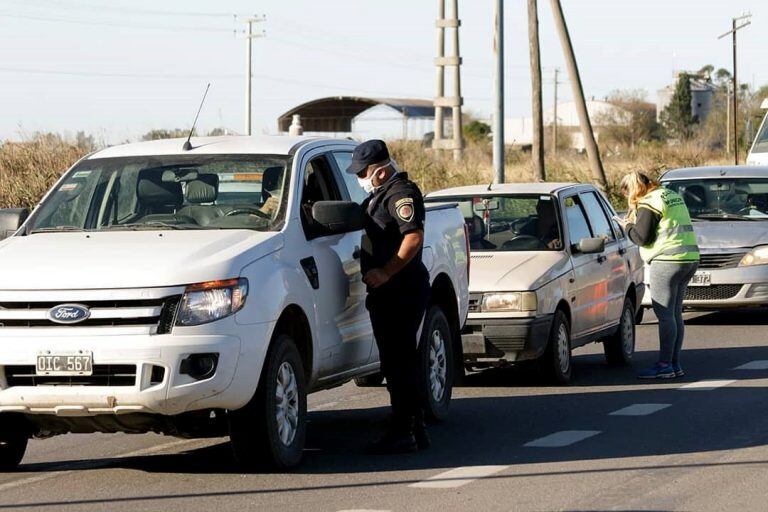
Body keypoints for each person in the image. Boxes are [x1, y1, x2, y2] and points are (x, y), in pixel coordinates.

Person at [345, 139, 431, 454]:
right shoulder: (381, 195)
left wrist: (386, 272)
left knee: (398, 364)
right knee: (400, 361)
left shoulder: (400, 194)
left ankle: (403, 431)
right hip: (392, 291)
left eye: (363, 172)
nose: (360, 177)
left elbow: (413, 237)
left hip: (400, 290)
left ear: (380, 172)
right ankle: (415, 428)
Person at [617, 172, 700, 379]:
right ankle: (674, 364)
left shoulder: (649, 202)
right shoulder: (669, 195)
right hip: (689, 258)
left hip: (667, 261)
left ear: (633, 189)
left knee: (664, 314)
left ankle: (664, 365)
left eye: (627, 193)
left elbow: (641, 237)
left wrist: (625, 225)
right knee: (675, 314)